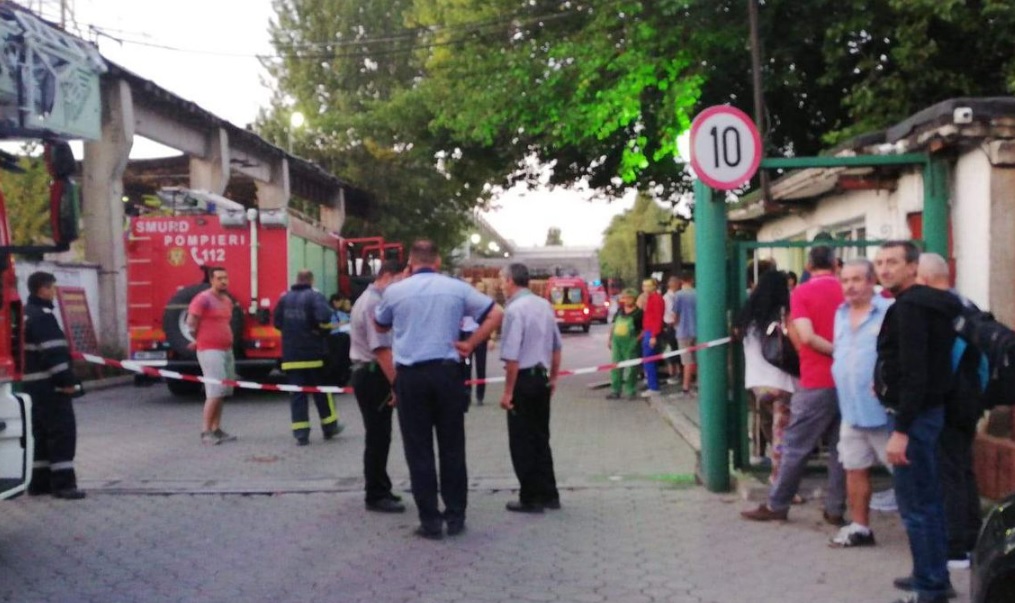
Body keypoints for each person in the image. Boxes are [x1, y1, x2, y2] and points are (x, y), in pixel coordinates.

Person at [375, 240, 503, 540]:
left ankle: (430, 521)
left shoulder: (395, 291)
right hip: (447, 375)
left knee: (418, 450)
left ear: (411, 262)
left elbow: (380, 325)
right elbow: (496, 313)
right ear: (438, 261)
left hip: (410, 378)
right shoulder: (456, 288)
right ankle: (455, 516)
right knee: (452, 447)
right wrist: (471, 343)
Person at [875, 241, 961, 603]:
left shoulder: (910, 308)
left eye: (893, 262)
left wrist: (902, 430)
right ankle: (930, 573)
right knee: (925, 500)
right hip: (926, 412)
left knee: (917, 505)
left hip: (915, 418)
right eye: (880, 262)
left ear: (913, 267)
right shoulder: (931, 304)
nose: (884, 269)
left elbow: (916, 372)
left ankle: (931, 586)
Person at [742, 245, 846, 525]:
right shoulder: (848, 291)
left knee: (794, 446)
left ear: (809, 266)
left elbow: (803, 338)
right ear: (836, 265)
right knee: (840, 450)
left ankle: (777, 504)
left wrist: (832, 352)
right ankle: (835, 508)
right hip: (848, 380)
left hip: (815, 379)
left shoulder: (802, 293)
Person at [916, 252, 982, 570]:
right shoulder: (967, 305)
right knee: (963, 467)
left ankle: (954, 547)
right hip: (971, 398)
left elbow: (941, 360)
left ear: (925, 278)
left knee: (947, 472)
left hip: (949, 400)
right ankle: (971, 536)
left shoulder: (939, 310)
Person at [828, 258, 894, 548]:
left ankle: (933, 534)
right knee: (854, 468)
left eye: (856, 280)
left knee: (907, 475)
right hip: (851, 410)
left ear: (871, 281)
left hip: (884, 412)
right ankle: (860, 527)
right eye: (845, 281)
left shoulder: (889, 311)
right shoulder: (840, 314)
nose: (850, 286)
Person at [499, 263, 562, 513]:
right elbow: (556, 347)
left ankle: (530, 497)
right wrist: (553, 377)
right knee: (540, 437)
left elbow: (512, 357)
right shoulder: (544, 305)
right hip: (541, 379)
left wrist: (508, 392)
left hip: (523, 381)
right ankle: (549, 494)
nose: (501, 286)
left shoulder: (514, 310)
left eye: (502, 280)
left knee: (521, 440)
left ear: (511, 281)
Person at [348, 261, 405, 513]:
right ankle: (375, 493)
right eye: (400, 280)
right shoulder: (373, 303)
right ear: (388, 276)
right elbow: (381, 350)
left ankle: (381, 485)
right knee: (377, 436)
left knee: (380, 434)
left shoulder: (371, 299)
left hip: (371, 373)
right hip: (373, 375)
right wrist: (397, 385)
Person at [24, 271, 85, 499]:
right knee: (62, 433)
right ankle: (63, 484)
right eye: (52, 287)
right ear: (42, 289)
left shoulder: (25, 314)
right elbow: (54, 353)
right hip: (50, 387)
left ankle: (39, 483)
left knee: (40, 435)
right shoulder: (43, 317)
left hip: (31, 387)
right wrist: (67, 382)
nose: (54, 292)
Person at [736, 270, 798, 487]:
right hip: (781, 382)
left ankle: (762, 455)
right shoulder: (783, 315)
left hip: (756, 384)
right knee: (782, 434)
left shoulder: (747, 319)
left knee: (768, 425)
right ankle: (779, 479)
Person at [274, 270, 345, 446]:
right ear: (311, 281)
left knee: (297, 395)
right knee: (322, 391)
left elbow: (277, 322)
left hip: (291, 356)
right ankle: (329, 426)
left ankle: (301, 433)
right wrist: (320, 331)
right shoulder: (315, 296)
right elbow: (324, 317)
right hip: (314, 355)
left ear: (296, 280)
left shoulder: (284, 298)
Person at [186, 266, 238, 445]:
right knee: (214, 391)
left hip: (226, 349)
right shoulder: (203, 299)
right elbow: (191, 323)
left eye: (225, 278)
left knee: (223, 391)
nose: (223, 281)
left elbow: (225, 323)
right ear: (211, 280)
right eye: (219, 278)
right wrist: (199, 339)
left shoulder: (227, 301)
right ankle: (206, 432)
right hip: (210, 350)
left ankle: (216, 428)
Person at [606, 289, 643, 400]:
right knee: (616, 367)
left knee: (632, 368)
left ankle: (630, 391)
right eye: (625, 298)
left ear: (634, 299)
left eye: (629, 298)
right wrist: (610, 339)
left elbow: (644, 330)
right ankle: (615, 390)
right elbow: (613, 326)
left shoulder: (639, 313)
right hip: (617, 343)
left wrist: (636, 340)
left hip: (631, 343)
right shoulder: (620, 311)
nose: (626, 300)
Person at [460, 281, 489, 406]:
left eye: (482, 288)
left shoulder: (486, 304)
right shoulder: (465, 304)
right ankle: (467, 394)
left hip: (480, 337)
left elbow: (490, 319)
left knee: (481, 366)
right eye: (478, 288)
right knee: (467, 366)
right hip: (467, 336)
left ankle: (480, 395)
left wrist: (491, 338)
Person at [672, 271, 698, 395]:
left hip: (683, 331)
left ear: (681, 281)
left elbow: (675, 314)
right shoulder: (698, 293)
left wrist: (675, 325)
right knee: (698, 359)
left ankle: (686, 387)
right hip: (697, 331)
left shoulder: (678, 295)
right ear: (692, 280)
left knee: (687, 361)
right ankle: (699, 384)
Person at [639, 278, 665, 397]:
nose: (645, 288)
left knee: (649, 359)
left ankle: (653, 387)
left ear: (653, 287)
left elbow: (657, 318)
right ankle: (651, 384)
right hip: (648, 331)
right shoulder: (650, 298)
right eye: (644, 286)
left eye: (647, 286)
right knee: (648, 360)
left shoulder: (656, 299)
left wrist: (653, 335)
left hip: (651, 332)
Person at [326, 294, 352, 386]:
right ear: (335, 302)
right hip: (337, 339)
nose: (343, 304)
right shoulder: (332, 313)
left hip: (341, 338)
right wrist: (341, 323)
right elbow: (331, 326)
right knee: (338, 361)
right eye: (341, 302)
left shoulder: (339, 313)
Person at [662, 275, 683, 384]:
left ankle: (679, 372)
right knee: (673, 349)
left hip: (676, 325)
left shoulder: (677, 295)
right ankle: (674, 372)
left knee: (678, 349)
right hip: (670, 325)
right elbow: (672, 312)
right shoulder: (667, 297)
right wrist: (675, 322)